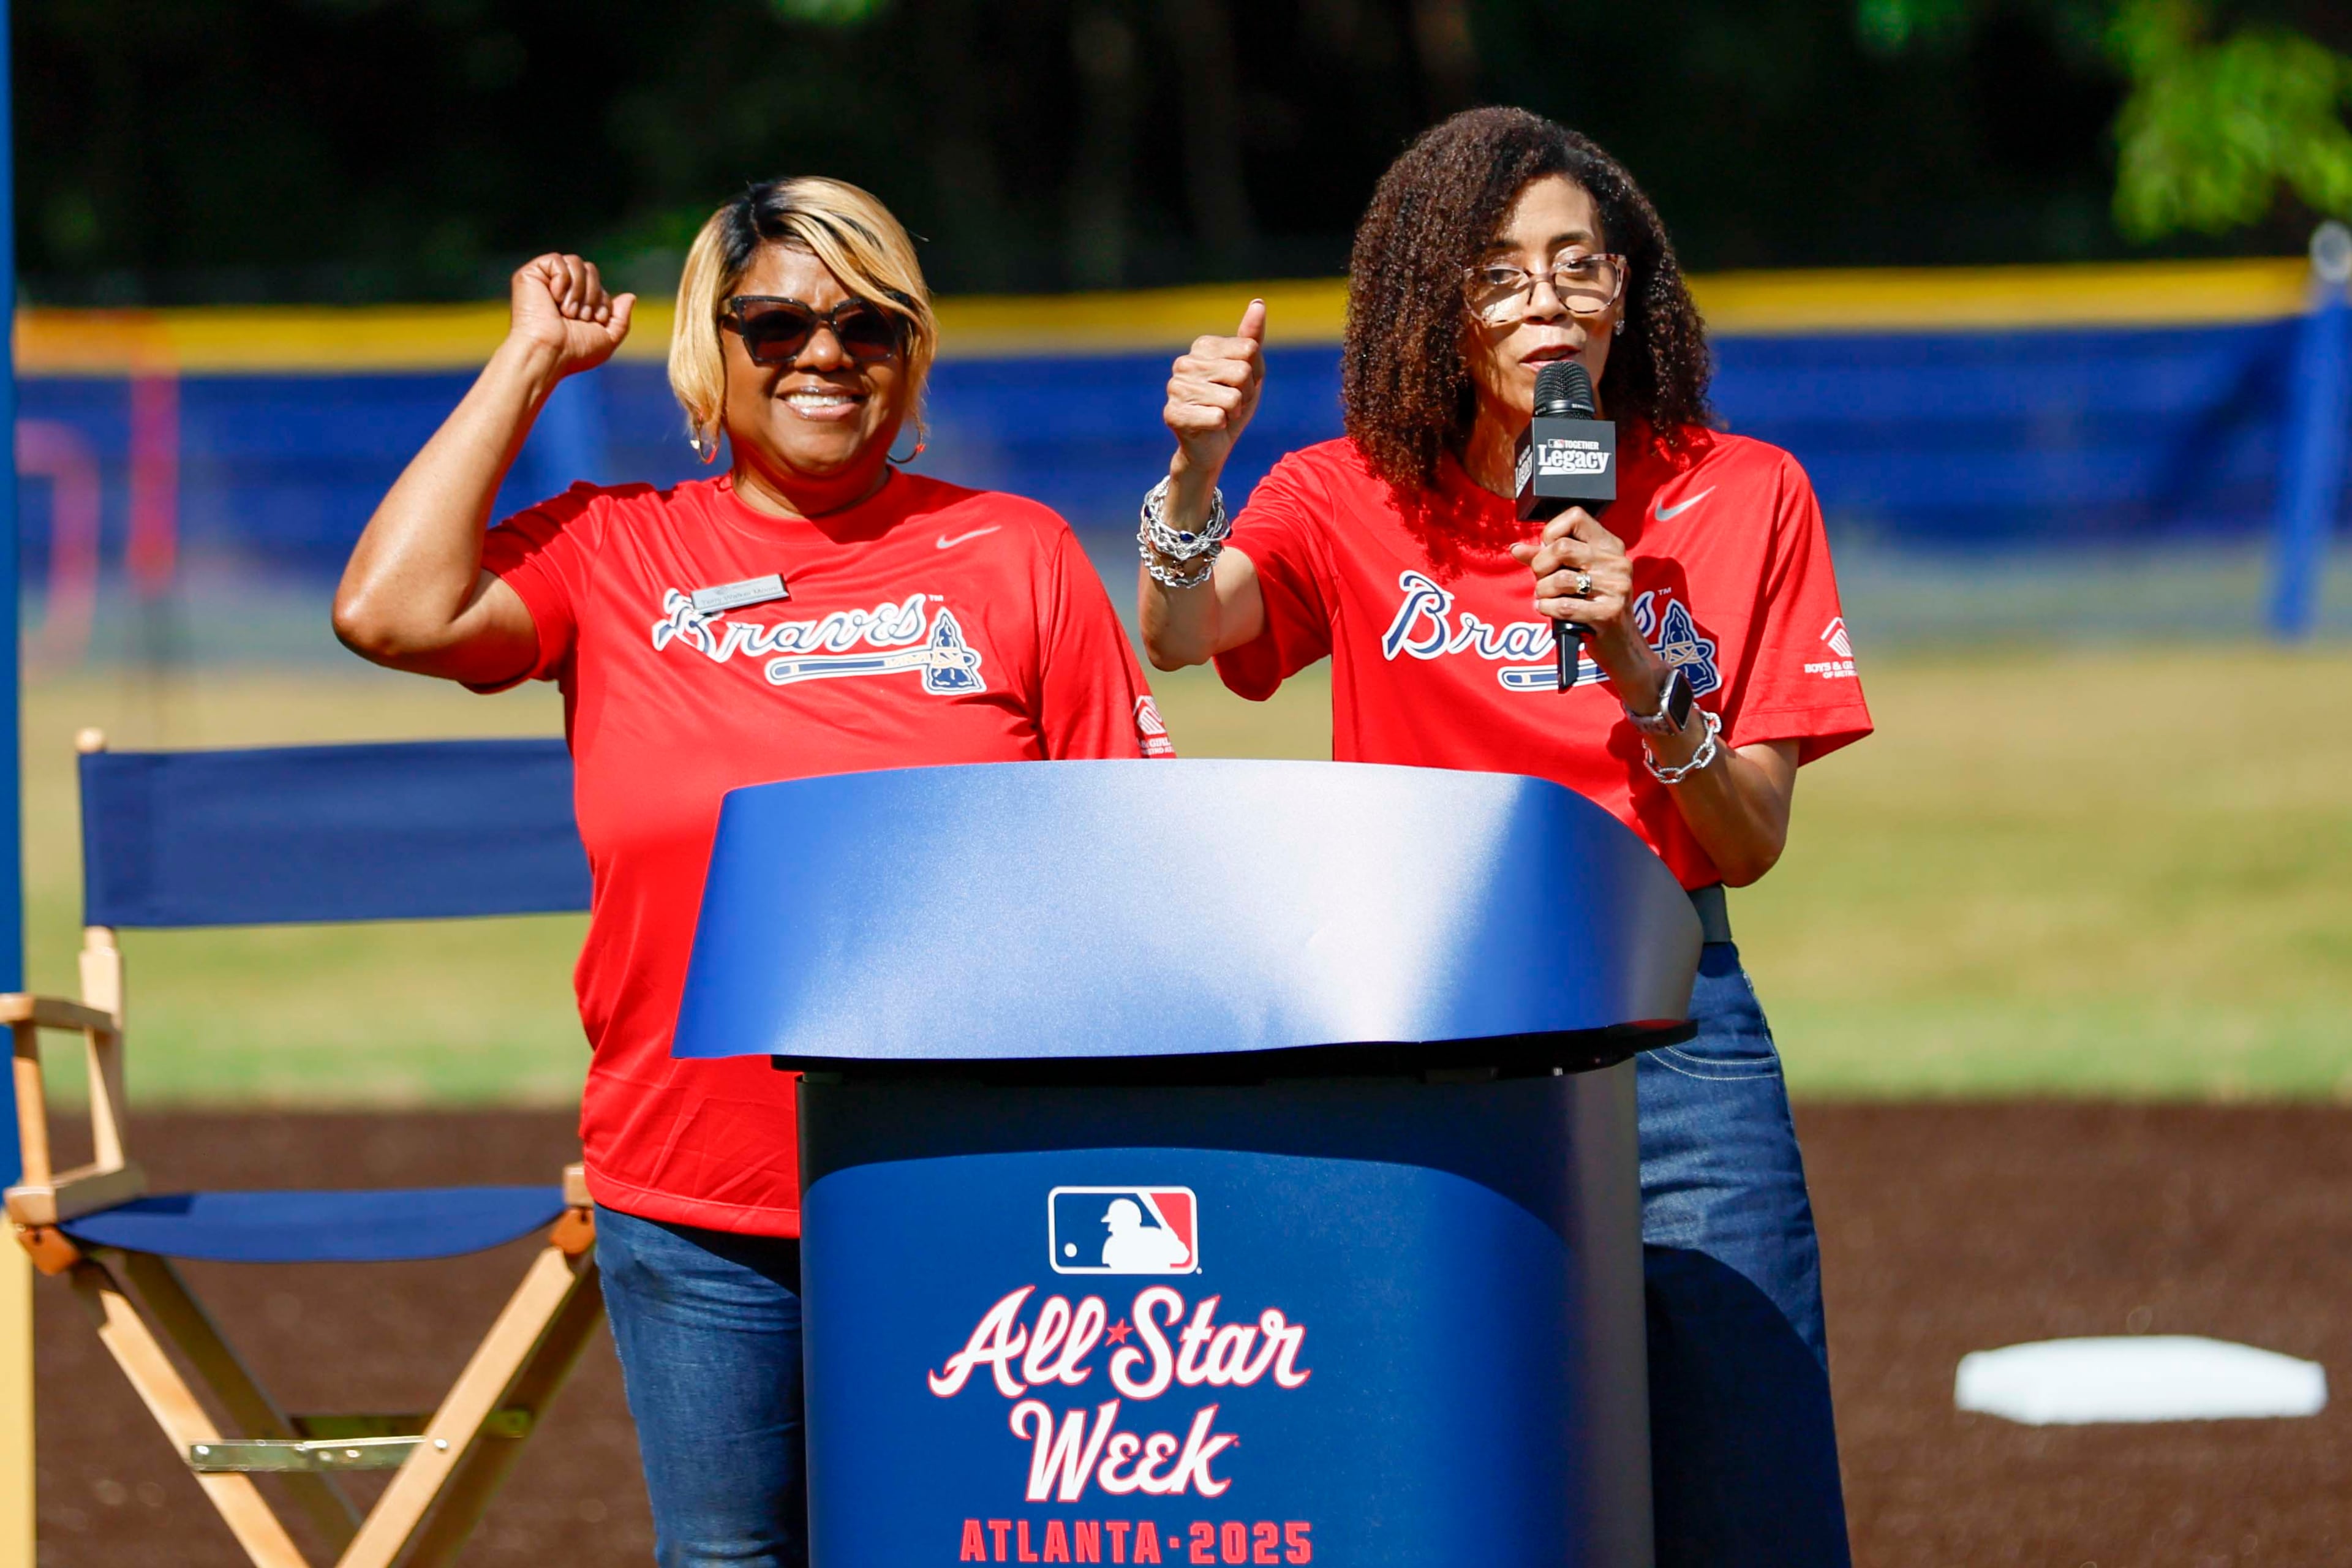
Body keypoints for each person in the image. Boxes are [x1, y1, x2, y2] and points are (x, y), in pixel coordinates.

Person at [333, 176, 1172, 1567]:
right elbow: (390, 609)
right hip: (694, 1186)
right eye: (772, 321)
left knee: (968, 1546)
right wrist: (528, 357)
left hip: (965, 1173)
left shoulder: (1016, 552)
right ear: (708, 352)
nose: (821, 354)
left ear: (913, 349)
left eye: (867, 322)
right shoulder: (614, 547)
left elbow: (1130, 875)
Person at [1136, 108, 1869, 1566]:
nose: (1548, 303)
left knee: (1753, 1488)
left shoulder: (1745, 493)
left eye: (1579, 268)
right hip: (1424, 1032)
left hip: (1670, 1021)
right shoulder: (1345, 492)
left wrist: (1639, 666)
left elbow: (1756, 829)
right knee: (1452, 1472)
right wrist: (1193, 479)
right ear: (1435, 302)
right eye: (1502, 272)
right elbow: (1176, 629)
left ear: (1630, 292)